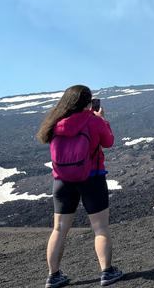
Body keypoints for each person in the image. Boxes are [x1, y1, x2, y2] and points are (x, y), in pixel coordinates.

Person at [37, 85, 123, 288]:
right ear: (87, 103)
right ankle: (107, 272)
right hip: (92, 178)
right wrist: (102, 120)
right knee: (100, 228)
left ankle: (53, 276)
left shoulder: (55, 123)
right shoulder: (93, 121)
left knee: (58, 229)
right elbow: (108, 142)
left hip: (62, 182)